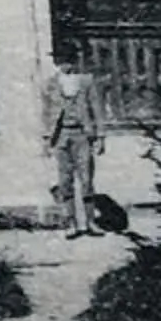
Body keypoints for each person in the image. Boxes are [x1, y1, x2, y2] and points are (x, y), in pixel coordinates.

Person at [43, 51, 107, 238]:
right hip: (61, 135)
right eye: (60, 61)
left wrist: (100, 136)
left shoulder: (85, 81)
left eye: (68, 61)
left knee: (86, 179)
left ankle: (90, 222)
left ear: (74, 62)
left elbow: (97, 108)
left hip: (82, 135)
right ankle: (70, 222)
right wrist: (47, 139)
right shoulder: (51, 83)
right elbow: (46, 113)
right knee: (65, 181)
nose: (65, 65)